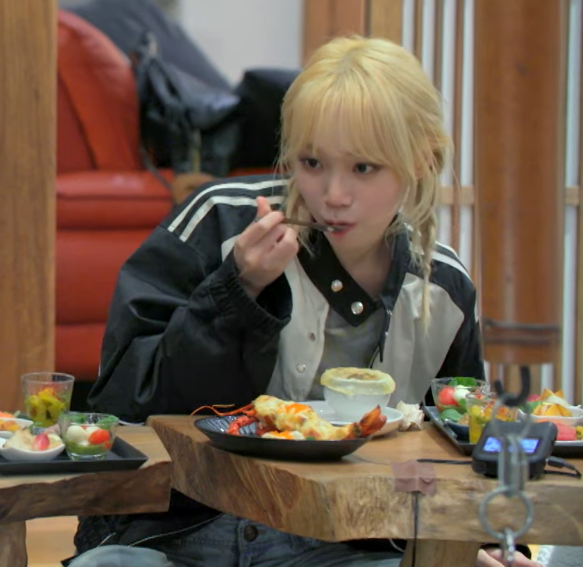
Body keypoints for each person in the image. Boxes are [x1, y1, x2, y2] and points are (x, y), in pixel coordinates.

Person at [67, 36, 541, 567]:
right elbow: (124, 404)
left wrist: (491, 546)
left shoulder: (444, 289)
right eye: (312, 162)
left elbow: (464, 444)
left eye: (364, 168)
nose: (333, 195)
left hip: (351, 544)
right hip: (181, 533)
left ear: (421, 161)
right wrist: (236, 290)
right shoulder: (219, 222)